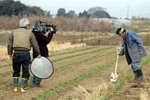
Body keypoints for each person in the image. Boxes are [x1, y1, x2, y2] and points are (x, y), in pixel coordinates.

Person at [7, 18, 41, 93]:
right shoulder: (30, 33)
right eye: (28, 25)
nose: (29, 26)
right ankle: (23, 87)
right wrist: (38, 54)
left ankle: (15, 87)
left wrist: (10, 53)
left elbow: (9, 44)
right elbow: (35, 45)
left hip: (16, 53)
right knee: (25, 71)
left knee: (16, 70)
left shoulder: (13, 32)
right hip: (26, 54)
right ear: (26, 25)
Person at [32, 21, 55, 87]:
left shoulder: (33, 33)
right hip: (41, 53)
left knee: (36, 67)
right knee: (41, 68)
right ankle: (36, 82)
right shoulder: (39, 34)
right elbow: (46, 41)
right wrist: (50, 33)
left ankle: (34, 81)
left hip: (35, 52)